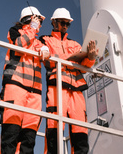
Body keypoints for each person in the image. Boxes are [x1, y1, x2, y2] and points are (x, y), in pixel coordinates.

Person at [39, 8, 97, 154]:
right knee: (54, 128)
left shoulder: (76, 45)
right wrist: (70, 59)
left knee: (80, 131)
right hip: (56, 88)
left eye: (68, 24)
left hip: (76, 90)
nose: (65, 26)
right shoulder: (45, 40)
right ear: (53, 22)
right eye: (63, 23)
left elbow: (83, 68)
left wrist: (90, 57)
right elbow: (47, 60)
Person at [0, 6, 50, 154]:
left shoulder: (38, 42)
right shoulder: (16, 32)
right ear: (31, 18)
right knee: (11, 134)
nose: (40, 24)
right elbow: (20, 45)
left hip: (34, 93)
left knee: (29, 138)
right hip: (15, 87)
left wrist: (46, 52)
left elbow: (48, 56)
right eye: (39, 20)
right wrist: (32, 28)